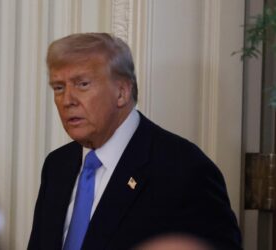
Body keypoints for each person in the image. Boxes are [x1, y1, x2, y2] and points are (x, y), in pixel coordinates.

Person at [28, 33, 242, 250]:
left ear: (122, 92)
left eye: (82, 84)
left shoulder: (183, 169)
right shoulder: (57, 165)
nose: (67, 101)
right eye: (58, 87)